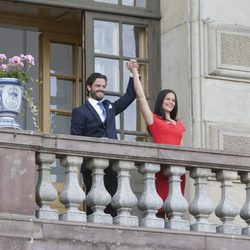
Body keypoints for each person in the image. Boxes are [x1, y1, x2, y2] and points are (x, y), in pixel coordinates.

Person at [71, 72, 136, 217]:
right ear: (89, 88)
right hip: (92, 166)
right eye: (98, 86)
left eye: (104, 86)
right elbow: (75, 141)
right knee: (96, 205)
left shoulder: (109, 107)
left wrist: (133, 72)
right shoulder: (80, 112)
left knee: (113, 204)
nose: (101, 89)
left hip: (113, 165)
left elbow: (130, 96)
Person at [127, 59, 186, 217]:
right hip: (160, 170)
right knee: (158, 209)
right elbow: (140, 96)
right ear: (161, 101)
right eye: (168, 99)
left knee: (175, 211)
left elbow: (181, 149)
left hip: (177, 171)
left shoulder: (180, 125)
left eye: (173, 100)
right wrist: (134, 72)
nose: (171, 102)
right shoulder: (154, 120)